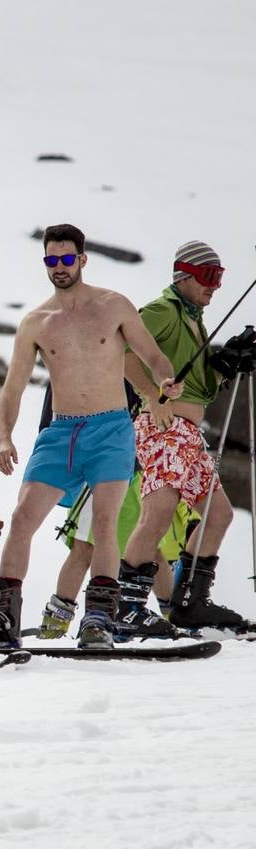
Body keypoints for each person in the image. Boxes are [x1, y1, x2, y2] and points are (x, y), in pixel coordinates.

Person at [0, 225, 184, 650]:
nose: (59, 267)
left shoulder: (114, 305)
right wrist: (4, 438)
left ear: (82, 259)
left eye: (66, 259)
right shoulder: (36, 322)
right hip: (60, 431)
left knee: (104, 523)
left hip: (111, 428)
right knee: (23, 516)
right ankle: (1, 616)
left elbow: (152, 355)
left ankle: (98, 618)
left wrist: (165, 382)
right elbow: (12, 386)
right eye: (51, 260)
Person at [110, 239, 254, 635]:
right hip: (163, 429)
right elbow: (121, 350)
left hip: (186, 433)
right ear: (184, 276)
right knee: (159, 510)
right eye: (208, 276)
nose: (215, 285)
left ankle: (189, 602)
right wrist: (148, 395)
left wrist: (226, 364)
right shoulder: (163, 311)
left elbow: (192, 382)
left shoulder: (193, 318)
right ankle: (129, 607)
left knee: (217, 513)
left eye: (219, 277)